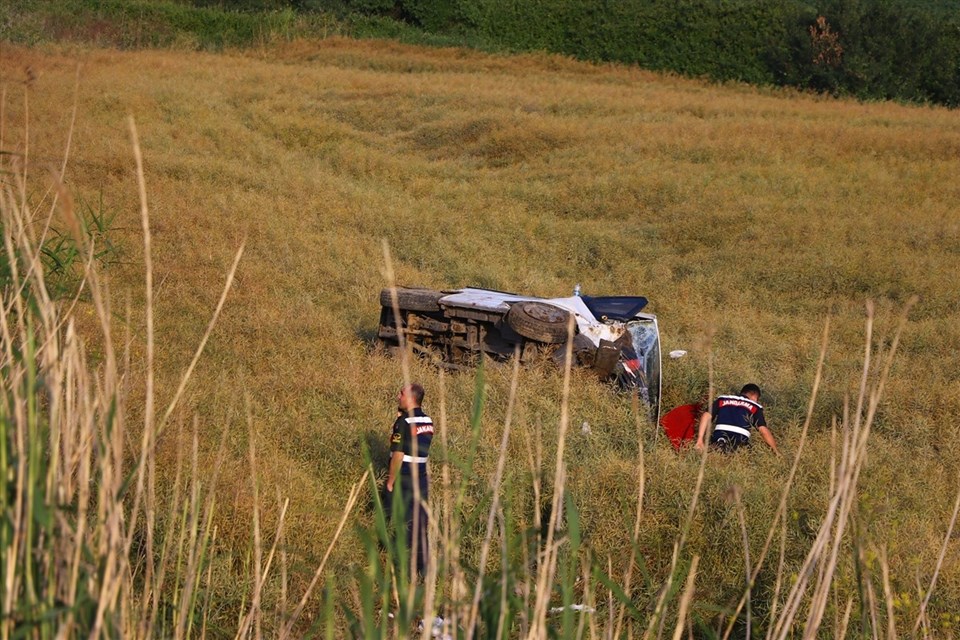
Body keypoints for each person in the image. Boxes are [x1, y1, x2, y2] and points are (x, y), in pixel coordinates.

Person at [385, 383, 433, 576]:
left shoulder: (403, 422)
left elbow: (398, 453)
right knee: (420, 522)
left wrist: (390, 481)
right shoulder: (428, 420)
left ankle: (402, 566)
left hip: (403, 478)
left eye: (401, 394)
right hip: (421, 479)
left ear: (411, 398)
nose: (398, 396)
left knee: (401, 521)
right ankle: (424, 568)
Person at [695, 383, 779, 455]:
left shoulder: (722, 399)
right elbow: (763, 430)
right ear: (754, 397)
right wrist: (776, 452)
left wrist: (700, 439)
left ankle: (720, 444)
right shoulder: (754, 406)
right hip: (740, 443)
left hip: (718, 438)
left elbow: (706, 415)